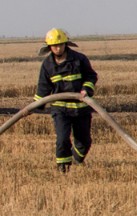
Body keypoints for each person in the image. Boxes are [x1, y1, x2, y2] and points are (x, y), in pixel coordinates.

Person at [34, 28, 98, 173]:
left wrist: (86, 90)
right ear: (49, 47)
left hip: (80, 107)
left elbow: (91, 76)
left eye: (61, 44)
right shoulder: (47, 65)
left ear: (66, 44)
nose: (58, 48)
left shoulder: (79, 59)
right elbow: (43, 87)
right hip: (60, 109)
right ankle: (63, 168)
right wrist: (36, 106)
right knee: (62, 139)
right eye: (55, 45)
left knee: (84, 141)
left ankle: (77, 158)